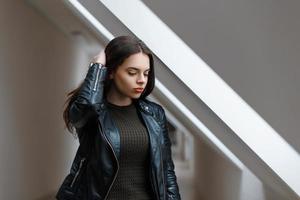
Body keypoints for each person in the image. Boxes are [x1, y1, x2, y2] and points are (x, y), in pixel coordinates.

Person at [56, 35, 181, 200]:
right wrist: (98, 66)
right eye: (132, 72)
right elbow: (85, 109)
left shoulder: (154, 114)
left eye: (146, 73)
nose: (141, 80)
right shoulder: (94, 113)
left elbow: (166, 171)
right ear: (111, 72)